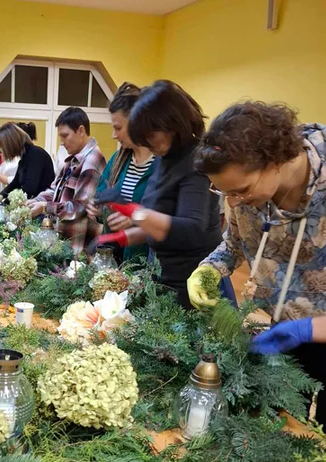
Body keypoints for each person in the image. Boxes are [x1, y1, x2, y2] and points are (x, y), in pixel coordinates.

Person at [189, 101, 326, 424]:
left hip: (314, 331)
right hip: (279, 334)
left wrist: (309, 328)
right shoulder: (243, 194)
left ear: (275, 161)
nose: (234, 202)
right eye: (225, 193)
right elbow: (233, 245)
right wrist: (208, 269)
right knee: (282, 428)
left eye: (241, 191)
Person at [94, 80, 234, 309]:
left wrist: (134, 212)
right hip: (162, 278)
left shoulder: (195, 160)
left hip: (192, 287)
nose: (145, 142)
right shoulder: (163, 158)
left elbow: (190, 228)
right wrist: (123, 238)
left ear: (170, 123)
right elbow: (161, 226)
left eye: (149, 134)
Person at [86, 82, 154, 262]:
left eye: (118, 128)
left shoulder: (161, 164)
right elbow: (101, 194)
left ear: (137, 123)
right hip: (117, 259)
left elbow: (167, 217)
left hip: (146, 263)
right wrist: (96, 207)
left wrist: (135, 219)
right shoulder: (118, 159)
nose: (113, 135)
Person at [27, 107, 106, 250]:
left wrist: (45, 207)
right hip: (65, 241)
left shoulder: (91, 161)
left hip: (79, 247)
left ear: (81, 131)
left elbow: (79, 207)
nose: (62, 142)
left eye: (65, 136)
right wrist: (36, 201)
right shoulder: (73, 160)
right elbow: (54, 190)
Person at [0, 123, 54, 204]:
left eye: (2, 147)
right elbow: (15, 183)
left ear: (10, 144)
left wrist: (4, 203)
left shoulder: (35, 154)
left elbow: (29, 188)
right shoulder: (25, 156)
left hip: (41, 205)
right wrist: (1, 195)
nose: (2, 151)